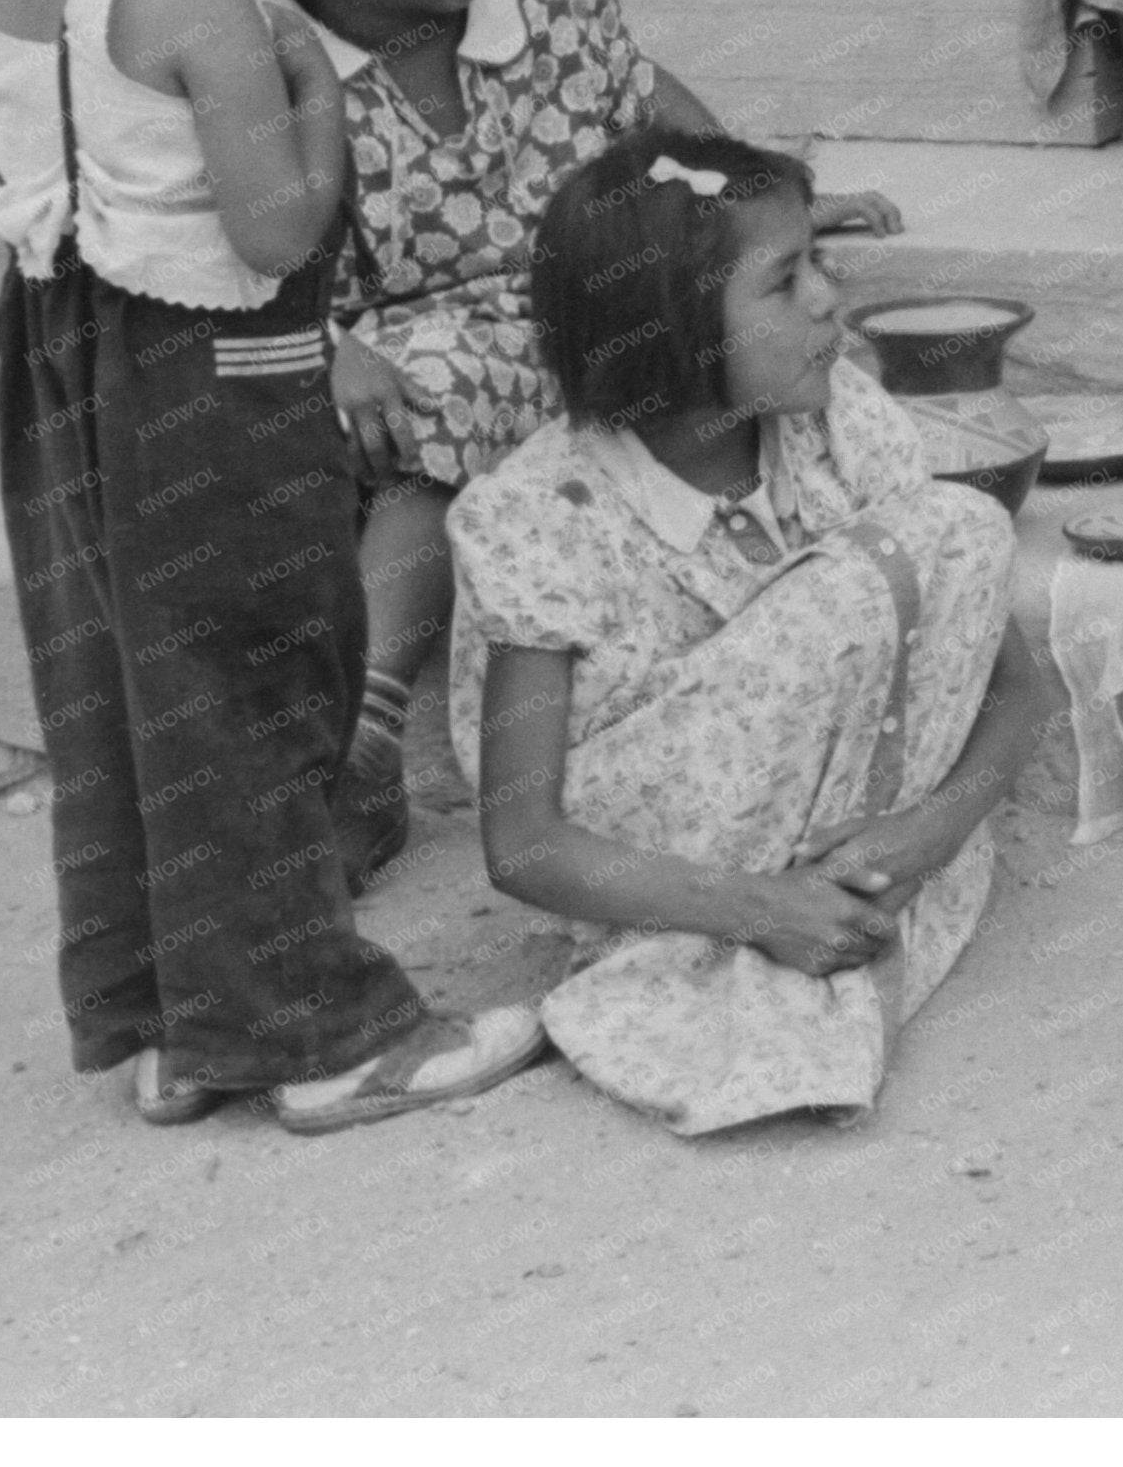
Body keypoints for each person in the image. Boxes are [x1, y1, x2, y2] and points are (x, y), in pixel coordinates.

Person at [0, 0, 545, 1135]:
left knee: (123, 677)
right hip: (216, 366)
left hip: (60, 353)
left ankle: (173, 1019)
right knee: (262, 673)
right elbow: (275, 234)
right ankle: (316, 1034)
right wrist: (309, 101)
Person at [219, 0, 900, 852]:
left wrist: (759, 203)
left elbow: (648, 113)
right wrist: (326, 341)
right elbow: (241, 239)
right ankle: (369, 723)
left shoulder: (545, 8)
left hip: (573, 305)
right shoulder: (279, 64)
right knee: (429, 401)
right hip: (396, 364)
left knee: (742, 331)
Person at [448, 131, 1058, 1135]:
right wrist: (758, 912)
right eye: (783, 282)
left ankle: (839, 888)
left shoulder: (838, 424)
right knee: (925, 545)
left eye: (819, 261)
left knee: (956, 533)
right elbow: (523, 845)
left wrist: (932, 831)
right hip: (658, 852)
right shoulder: (542, 514)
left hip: (859, 822)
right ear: (671, 336)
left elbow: (1018, 692)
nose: (827, 298)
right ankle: (772, 916)